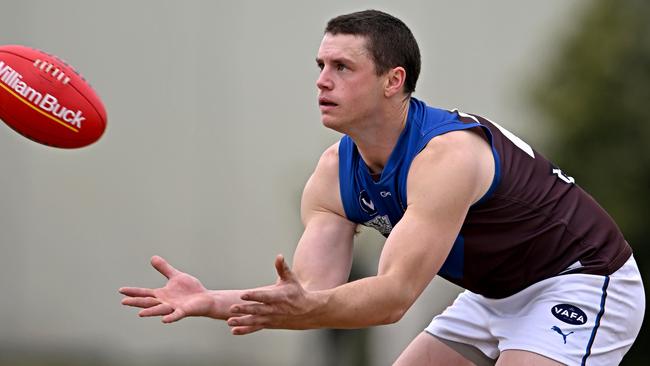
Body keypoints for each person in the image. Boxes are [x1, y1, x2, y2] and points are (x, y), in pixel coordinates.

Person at [120, 9, 645, 365]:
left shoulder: (446, 156)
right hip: (496, 294)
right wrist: (209, 300)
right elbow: (310, 298)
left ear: (393, 80)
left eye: (342, 67)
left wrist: (296, 308)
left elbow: (391, 299)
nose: (322, 80)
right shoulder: (333, 173)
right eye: (320, 65)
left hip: (581, 282)